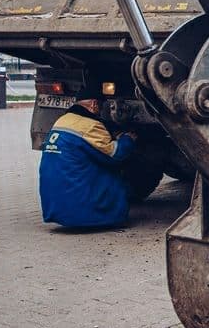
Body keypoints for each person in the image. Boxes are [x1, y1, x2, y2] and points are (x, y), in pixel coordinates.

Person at [39, 92, 137, 228]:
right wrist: (127, 139)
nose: (101, 111)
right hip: (81, 216)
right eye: (101, 106)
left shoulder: (62, 120)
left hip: (54, 210)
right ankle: (107, 215)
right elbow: (115, 154)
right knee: (115, 174)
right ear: (93, 104)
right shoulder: (90, 125)